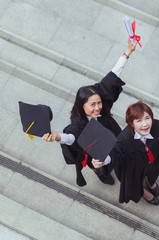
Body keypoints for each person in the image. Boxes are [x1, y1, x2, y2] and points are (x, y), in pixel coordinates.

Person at [42, 38, 137, 187]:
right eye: (92, 105)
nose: (98, 107)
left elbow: (112, 76)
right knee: (99, 165)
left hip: (109, 131)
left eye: (99, 103)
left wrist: (127, 53)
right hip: (94, 146)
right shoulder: (78, 123)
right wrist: (56, 137)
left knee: (119, 150)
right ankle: (101, 174)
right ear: (82, 105)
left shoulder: (99, 100)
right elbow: (71, 137)